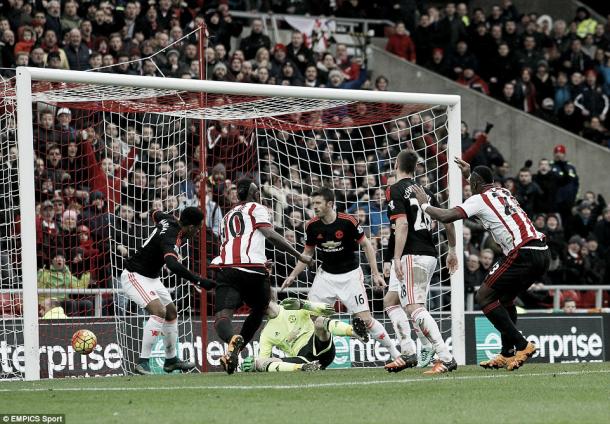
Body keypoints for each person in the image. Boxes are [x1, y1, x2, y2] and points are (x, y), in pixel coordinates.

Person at [412, 158, 550, 371]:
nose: (469, 190)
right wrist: (470, 175)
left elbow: (448, 216)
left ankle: (523, 345)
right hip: (541, 251)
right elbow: (482, 188)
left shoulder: (479, 200)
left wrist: (424, 204)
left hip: (522, 252)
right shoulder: (503, 192)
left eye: (470, 185)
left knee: (484, 296)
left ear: (475, 185)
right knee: (504, 298)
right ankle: (507, 353)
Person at [281, 188, 402, 364]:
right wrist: (292, 275)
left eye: (318, 203)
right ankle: (321, 355)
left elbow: (367, 246)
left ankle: (395, 354)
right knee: (315, 319)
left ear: (330, 204)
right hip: (325, 277)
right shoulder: (312, 226)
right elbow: (307, 254)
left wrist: (375, 273)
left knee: (366, 320)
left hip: (350, 276)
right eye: (313, 203)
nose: (314, 207)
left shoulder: (348, 221)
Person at [211, 178, 313, 375]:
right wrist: (299, 255)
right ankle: (235, 351)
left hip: (228, 268)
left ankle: (232, 342)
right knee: (260, 308)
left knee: (223, 316)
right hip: (254, 269)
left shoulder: (227, 216)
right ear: (254, 194)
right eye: (257, 191)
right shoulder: (258, 208)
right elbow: (270, 235)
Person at [383, 150, 458, 375]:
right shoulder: (426, 191)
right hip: (429, 253)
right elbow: (448, 220)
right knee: (391, 300)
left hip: (412, 255)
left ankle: (444, 356)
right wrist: (452, 250)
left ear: (396, 164)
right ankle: (407, 352)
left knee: (414, 306)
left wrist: (395, 258)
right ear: (415, 168)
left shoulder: (394, 190)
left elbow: (402, 226)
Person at [121, 206, 215, 375]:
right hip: (134, 276)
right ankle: (143, 362)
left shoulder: (169, 219)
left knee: (171, 313)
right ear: (191, 227)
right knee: (159, 312)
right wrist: (199, 280)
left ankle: (171, 360)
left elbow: (154, 212)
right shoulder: (171, 236)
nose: (198, 233)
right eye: (198, 229)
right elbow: (172, 264)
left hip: (152, 278)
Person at [241, 298, 368, 372]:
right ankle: (305, 368)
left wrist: (303, 304)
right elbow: (264, 360)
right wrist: (255, 364)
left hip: (318, 344)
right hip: (302, 358)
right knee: (259, 363)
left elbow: (329, 310)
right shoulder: (266, 333)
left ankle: (354, 331)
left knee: (319, 322)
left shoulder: (290, 304)